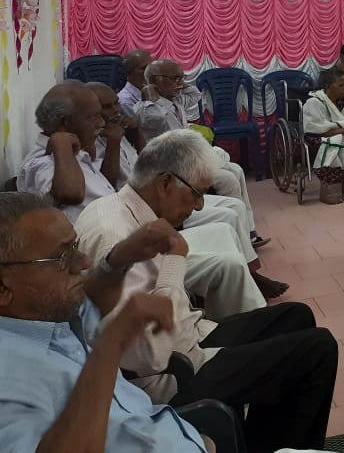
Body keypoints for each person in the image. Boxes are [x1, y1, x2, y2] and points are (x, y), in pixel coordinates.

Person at [75, 129, 338, 453]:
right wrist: (175, 261)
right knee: (317, 350)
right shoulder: (115, 235)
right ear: (165, 183)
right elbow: (150, 356)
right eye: (196, 194)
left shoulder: (118, 208)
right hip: (171, 375)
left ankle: (265, 443)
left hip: (191, 339)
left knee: (296, 316)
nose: (199, 206)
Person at [0, 192, 218, 452]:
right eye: (61, 257)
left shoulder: (46, 314)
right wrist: (109, 345)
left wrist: (119, 259)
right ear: (3, 287)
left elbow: (90, 297)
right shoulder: (9, 375)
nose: (83, 262)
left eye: (74, 246)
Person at [89, 82, 283, 308]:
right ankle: (248, 285)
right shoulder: (106, 138)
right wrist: (118, 137)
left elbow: (142, 158)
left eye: (116, 104)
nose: (116, 110)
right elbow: (111, 182)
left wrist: (135, 130)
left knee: (231, 199)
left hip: (160, 184)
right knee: (227, 203)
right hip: (154, 196)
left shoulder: (121, 129)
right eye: (107, 107)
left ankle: (250, 269)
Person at [137, 59, 267, 249]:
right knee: (228, 179)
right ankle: (240, 237)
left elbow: (196, 94)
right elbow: (157, 117)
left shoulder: (176, 98)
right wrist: (152, 94)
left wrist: (178, 82)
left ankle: (249, 231)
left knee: (236, 170)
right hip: (173, 169)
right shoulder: (147, 108)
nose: (180, 83)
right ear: (157, 80)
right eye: (175, 78)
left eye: (182, 77)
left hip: (189, 160)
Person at [18, 82, 123, 221]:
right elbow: (70, 193)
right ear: (64, 123)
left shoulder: (74, 151)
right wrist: (61, 144)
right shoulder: (44, 162)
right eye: (93, 117)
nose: (101, 123)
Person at [302, 67, 344, 205]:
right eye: (341, 85)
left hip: (337, 134)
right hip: (316, 136)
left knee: (342, 139)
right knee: (336, 141)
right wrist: (342, 130)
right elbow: (315, 129)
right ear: (328, 87)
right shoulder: (314, 102)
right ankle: (325, 190)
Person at [119, 49, 151, 119]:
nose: (149, 72)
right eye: (143, 68)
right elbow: (148, 125)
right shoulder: (125, 101)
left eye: (150, 67)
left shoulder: (153, 90)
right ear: (128, 72)